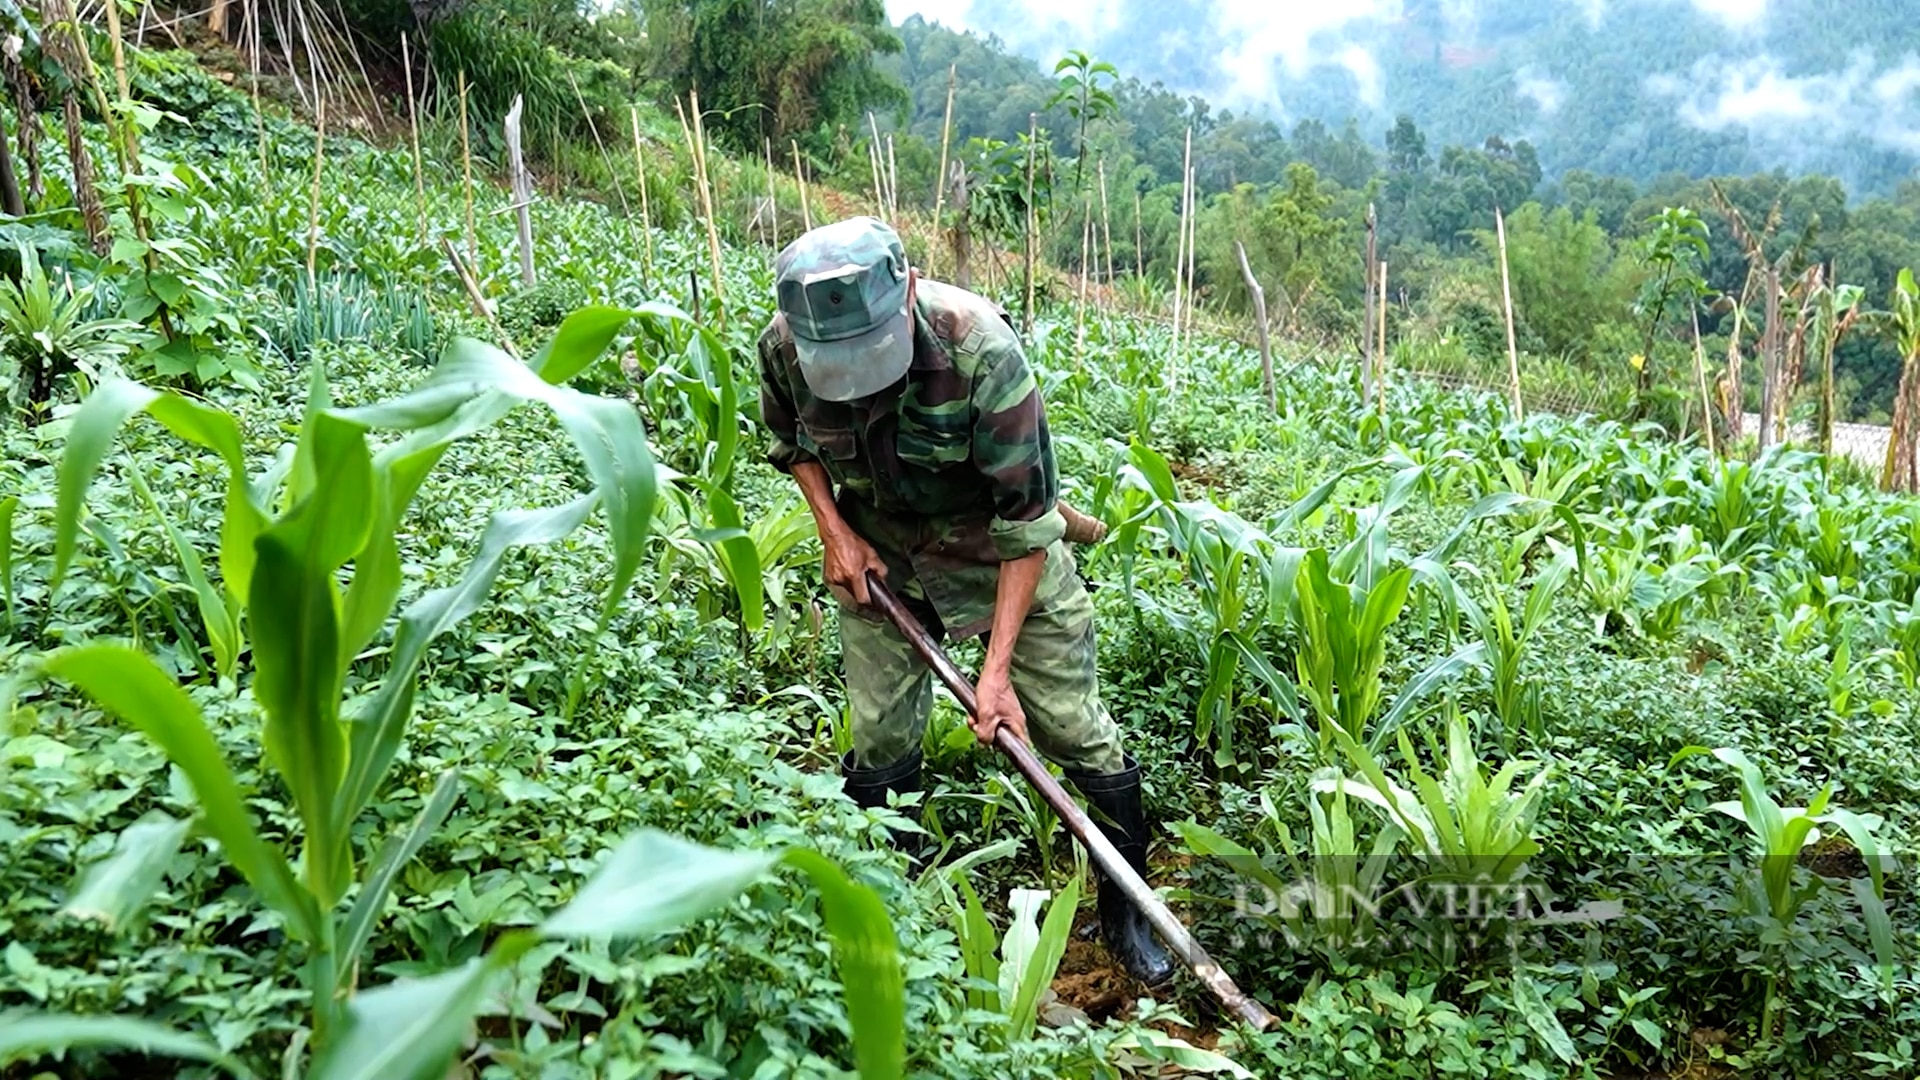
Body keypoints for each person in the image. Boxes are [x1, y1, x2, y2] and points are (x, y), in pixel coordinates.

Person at [756, 216, 1175, 986]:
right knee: (879, 735)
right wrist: (834, 535)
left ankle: (1126, 908)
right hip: (882, 553)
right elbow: (791, 445)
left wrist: (996, 671)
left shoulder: (981, 351)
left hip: (999, 555)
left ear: (907, 294)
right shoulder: (786, 345)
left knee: (1074, 731)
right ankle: (897, 898)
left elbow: (1026, 522)